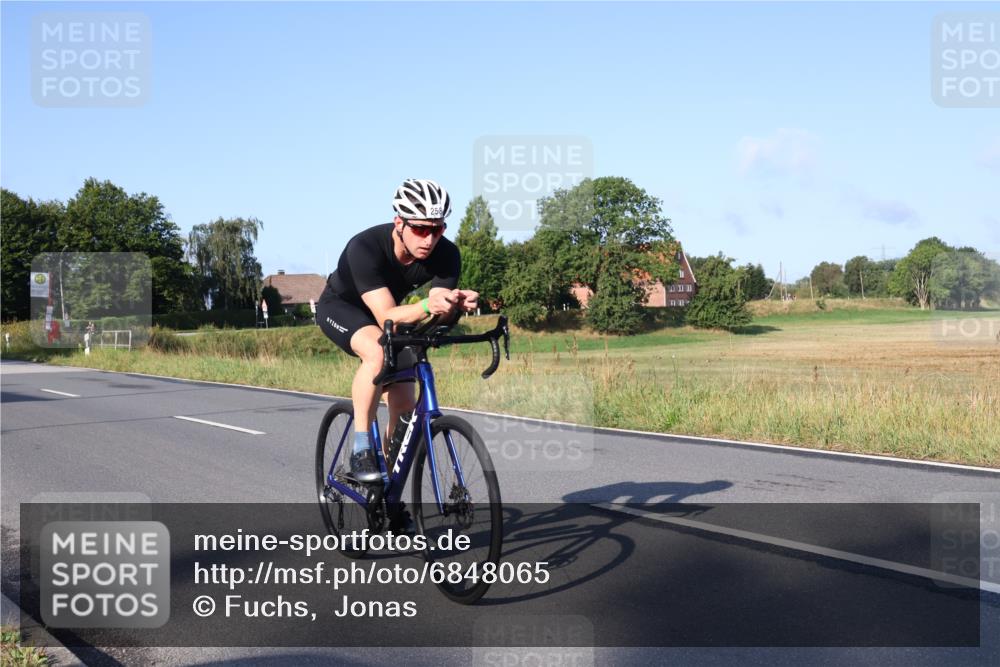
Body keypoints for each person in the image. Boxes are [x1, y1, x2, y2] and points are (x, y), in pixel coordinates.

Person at [317, 179, 479, 484]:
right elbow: (387, 316)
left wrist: (455, 305)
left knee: (405, 405)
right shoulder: (364, 248)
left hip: (393, 312)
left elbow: (436, 317)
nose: (429, 239)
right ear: (399, 223)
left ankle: (387, 494)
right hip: (342, 308)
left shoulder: (447, 255)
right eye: (420, 229)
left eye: (438, 229)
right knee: (376, 353)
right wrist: (429, 305)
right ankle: (362, 447)